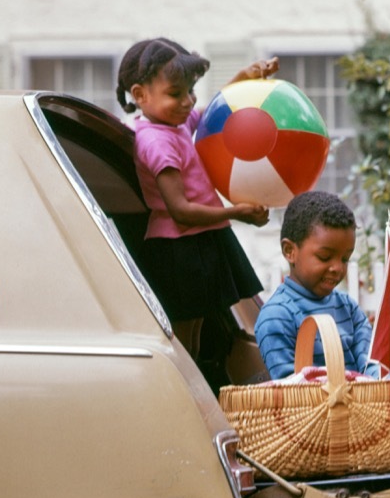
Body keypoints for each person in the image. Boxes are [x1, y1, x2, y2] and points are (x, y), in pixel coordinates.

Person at [116, 37, 277, 360]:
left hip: (198, 243)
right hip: (180, 251)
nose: (188, 101)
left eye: (190, 91)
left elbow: (211, 112)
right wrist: (237, 212)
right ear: (140, 95)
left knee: (197, 336)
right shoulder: (156, 142)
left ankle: (196, 395)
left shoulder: (172, 123)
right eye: (176, 93)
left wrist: (243, 78)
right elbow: (181, 211)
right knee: (182, 342)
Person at [255, 190, 381, 379]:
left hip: (362, 405)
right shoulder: (276, 316)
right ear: (290, 251)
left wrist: (385, 380)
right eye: (325, 257)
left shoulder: (349, 309)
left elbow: (372, 364)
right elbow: (291, 388)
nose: (337, 268)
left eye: (345, 259)